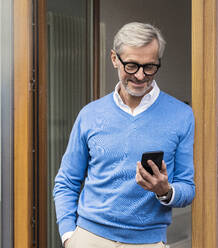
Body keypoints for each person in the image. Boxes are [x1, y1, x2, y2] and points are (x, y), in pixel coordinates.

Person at [53, 22, 195, 248]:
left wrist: (165, 191)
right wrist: (69, 236)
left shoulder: (182, 115)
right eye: (131, 65)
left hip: (148, 242)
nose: (140, 76)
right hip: (89, 238)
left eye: (150, 67)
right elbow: (66, 181)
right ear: (114, 59)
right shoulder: (90, 114)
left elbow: (188, 189)